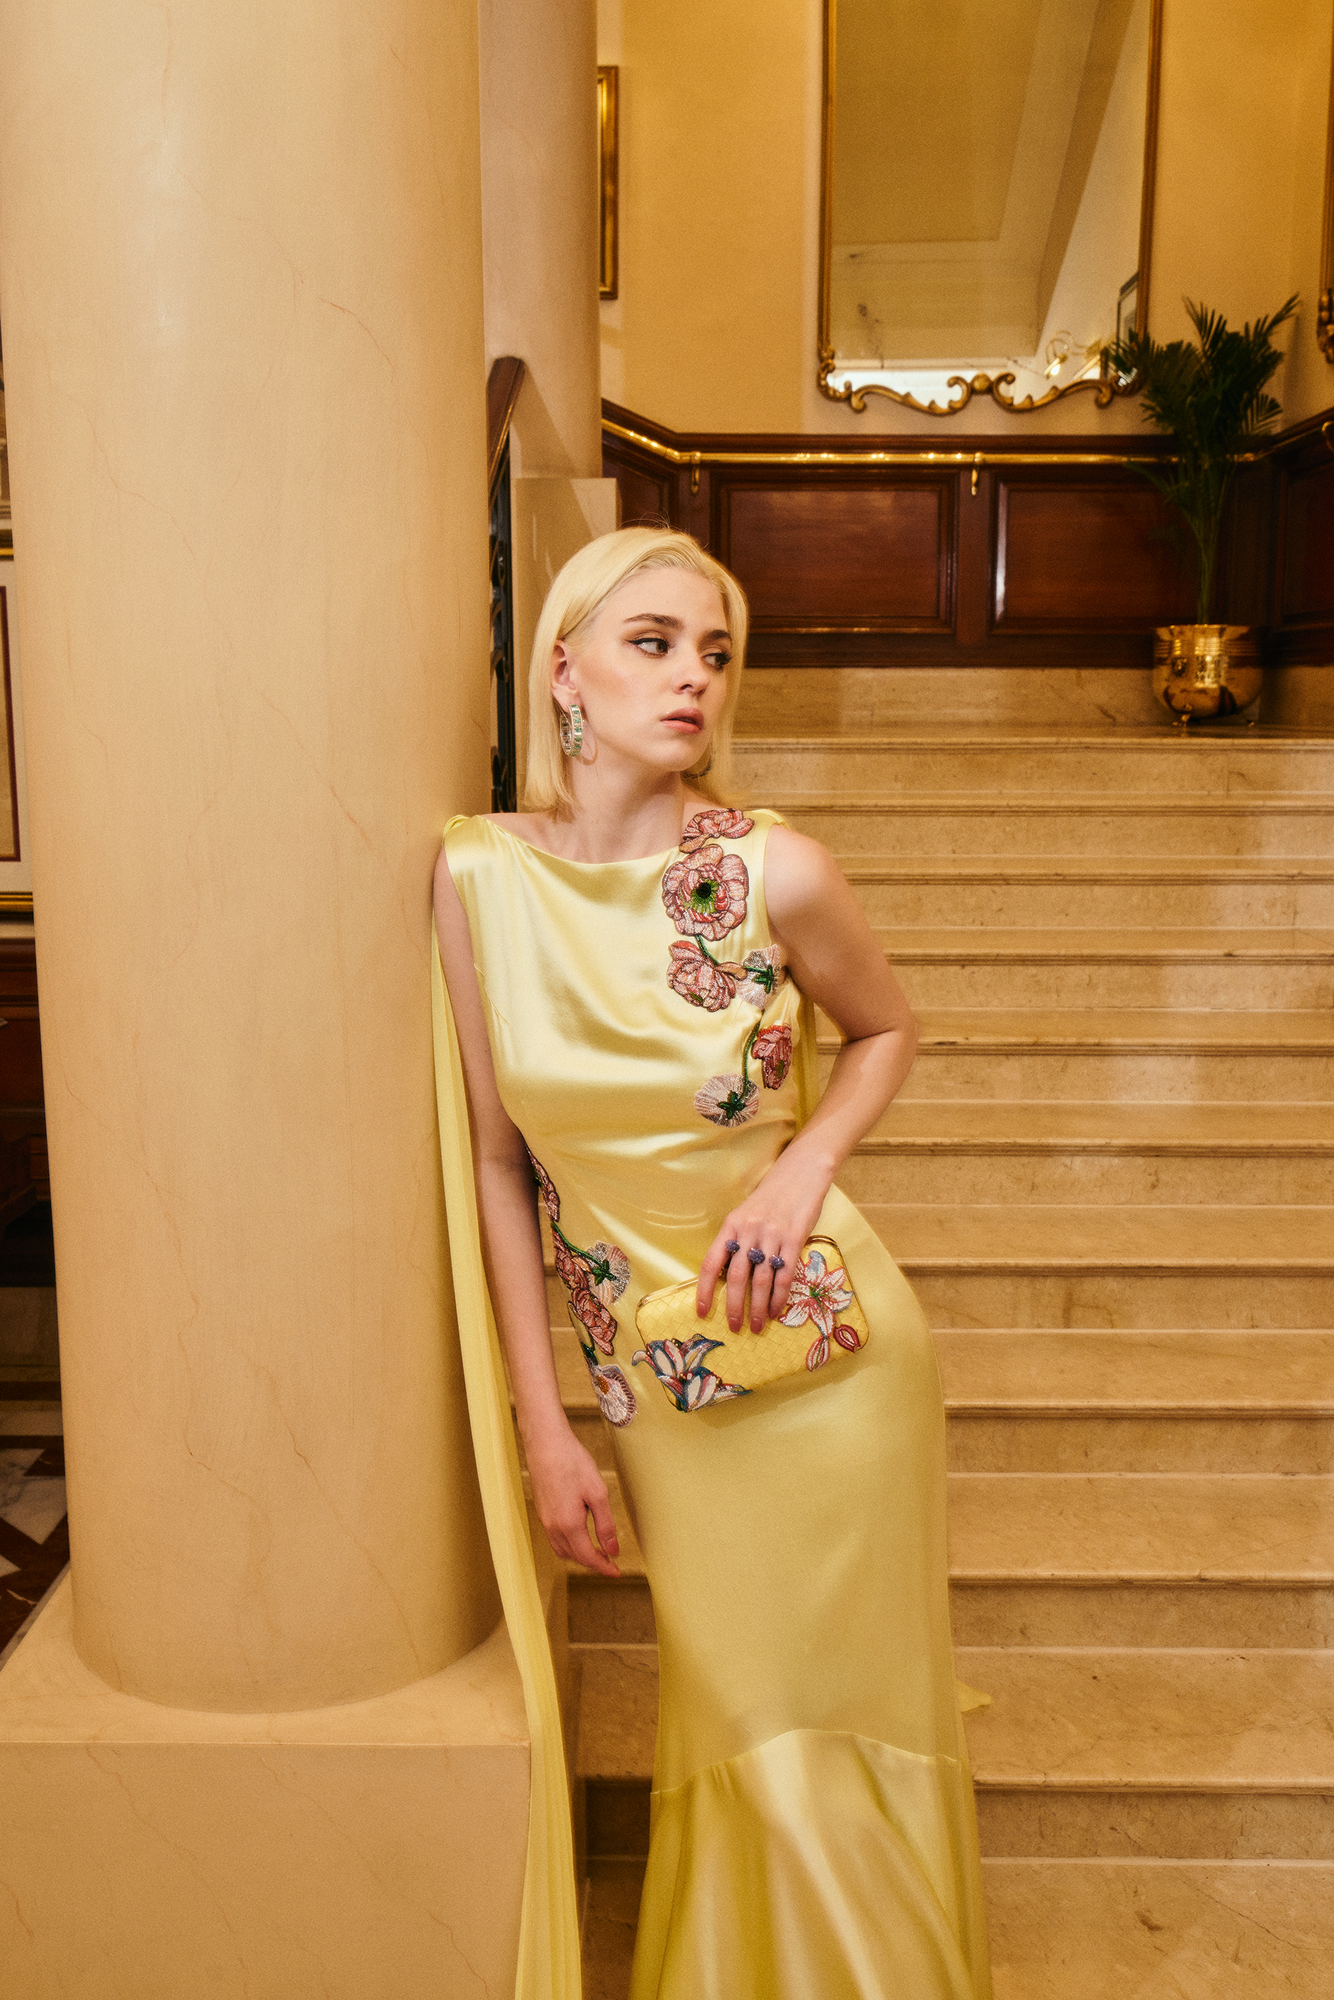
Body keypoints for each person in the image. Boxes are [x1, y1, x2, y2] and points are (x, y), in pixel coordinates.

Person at [432, 526, 991, 2000]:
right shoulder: (477, 880)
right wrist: (543, 1423)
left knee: (837, 1703)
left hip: (830, 1364)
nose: (693, 678)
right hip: (657, 1388)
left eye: (716, 652)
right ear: (564, 669)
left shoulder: (772, 868)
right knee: (731, 1700)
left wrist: (805, 1167)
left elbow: (885, 1030)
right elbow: (497, 1161)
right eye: (654, 642)